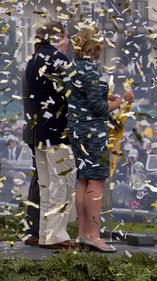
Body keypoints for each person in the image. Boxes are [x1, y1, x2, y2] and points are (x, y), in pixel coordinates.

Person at [67, 23, 134, 253]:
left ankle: (83, 233)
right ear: (94, 46)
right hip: (92, 133)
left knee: (83, 180)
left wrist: (107, 97)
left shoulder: (74, 68)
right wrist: (123, 101)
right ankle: (94, 235)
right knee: (96, 181)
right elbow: (98, 108)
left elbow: (86, 99)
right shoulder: (91, 71)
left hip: (77, 130)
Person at [25, 21, 76, 249]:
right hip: (58, 132)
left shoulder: (33, 59)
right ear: (58, 38)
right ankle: (56, 235)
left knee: (46, 186)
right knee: (61, 184)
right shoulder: (58, 59)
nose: (68, 42)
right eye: (66, 37)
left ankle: (46, 233)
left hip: (39, 131)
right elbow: (73, 92)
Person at [21, 65, 40, 246]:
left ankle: (34, 227)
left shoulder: (30, 65)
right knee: (41, 179)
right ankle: (35, 229)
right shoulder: (37, 67)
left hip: (34, 131)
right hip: (41, 132)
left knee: (39, 179)